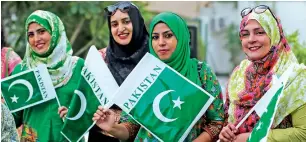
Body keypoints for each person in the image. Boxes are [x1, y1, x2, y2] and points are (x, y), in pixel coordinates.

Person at [93, 12, 224, 142]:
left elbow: (216, 122)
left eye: (168, 35)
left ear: (182, 37)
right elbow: (132, 128)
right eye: (155, 37)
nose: (161, 42)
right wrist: (112, 128)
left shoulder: (201, 73)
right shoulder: (144, 74)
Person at [219, 5, 306, 142]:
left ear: (274, 34)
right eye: (245, 34)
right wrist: (226, 132)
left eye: (260, 32)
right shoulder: (238, 75)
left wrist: (253, 138)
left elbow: (303, 133)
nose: (251, 39)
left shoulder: (295, 76)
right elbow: (226, 121)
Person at [12, 10, 84, 142]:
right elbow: (12, 119)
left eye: (41, 31)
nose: (36, 39)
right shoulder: (22, 70)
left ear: (55, 31)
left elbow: (92, 109)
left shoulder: (77, 66)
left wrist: (75, 116)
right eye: (31, 34)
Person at [88, 2, 149, 141]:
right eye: (114, 24)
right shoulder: (100, 59)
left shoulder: (154, 60)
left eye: (126, 22)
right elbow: (87, 101)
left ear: (137, 23)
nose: (120, 29)